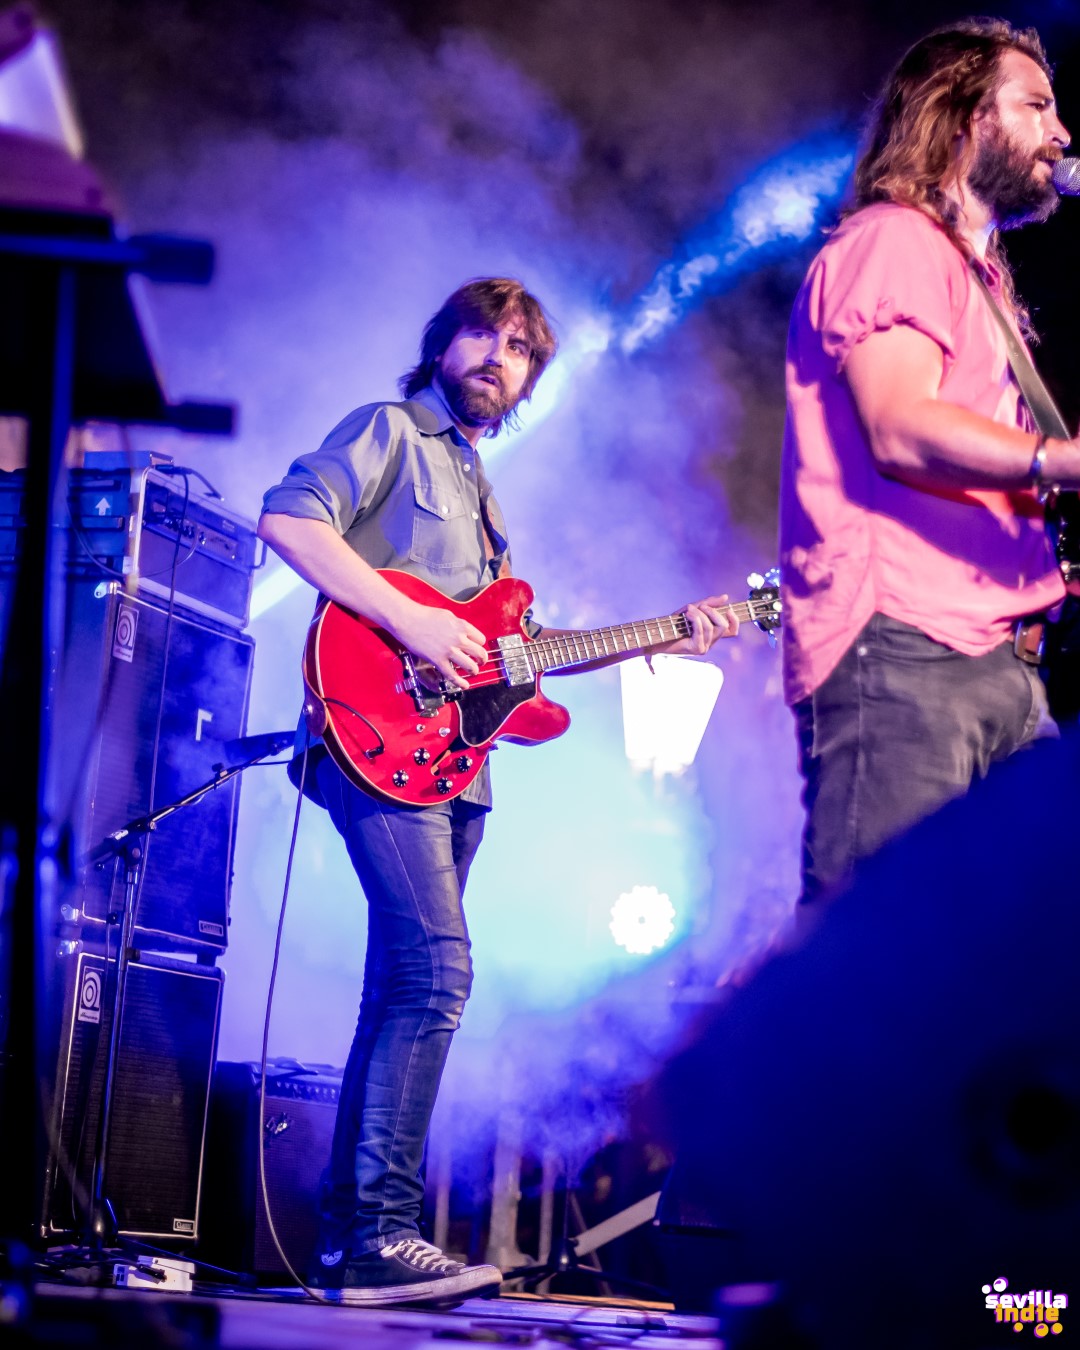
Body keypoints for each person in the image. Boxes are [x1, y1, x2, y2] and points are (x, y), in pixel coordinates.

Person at [258, 277, 739, 1306]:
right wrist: (413, 620)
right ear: (443, 343)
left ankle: (351, 1247)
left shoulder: (484, 498)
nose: (498, 355)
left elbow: (512, 660)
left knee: (405, 985)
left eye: (520, 348)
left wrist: (662, 635)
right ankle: (379, 1231)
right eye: (483, 332)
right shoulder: (391, 431)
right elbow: (289, 521)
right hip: (373, 733)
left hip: (454, 767)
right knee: (437, 973)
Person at [780, 18, 1080, 907]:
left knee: (1001, 966)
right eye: (1036, 106)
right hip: (906, 646)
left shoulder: (980, 281)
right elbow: (901, 426)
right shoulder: (895, 240)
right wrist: (1063, 462)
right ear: (962, 117)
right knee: (877, 959)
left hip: (999, 660)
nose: (1062, 133)